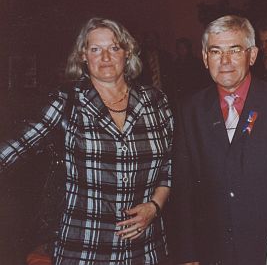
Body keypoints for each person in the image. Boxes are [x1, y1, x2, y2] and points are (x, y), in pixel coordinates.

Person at [0, 17, 173, 264]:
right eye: (95, 49)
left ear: (127, 53)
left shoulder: (156, 101)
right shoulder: (67, 100)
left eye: (114, 48)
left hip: (144, 248)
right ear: (83, 55)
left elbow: (168, 166)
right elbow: (18, 145)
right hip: (85, 246)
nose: (105, 57)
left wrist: (154, 207)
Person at [169, 15, 267, 265]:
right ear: (205, 56)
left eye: (235, 50)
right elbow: (183, 187)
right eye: (216, 51)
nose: (225, 61)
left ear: (252, 55)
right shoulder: (190, 109)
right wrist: (188, 254)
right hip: (212, 251)